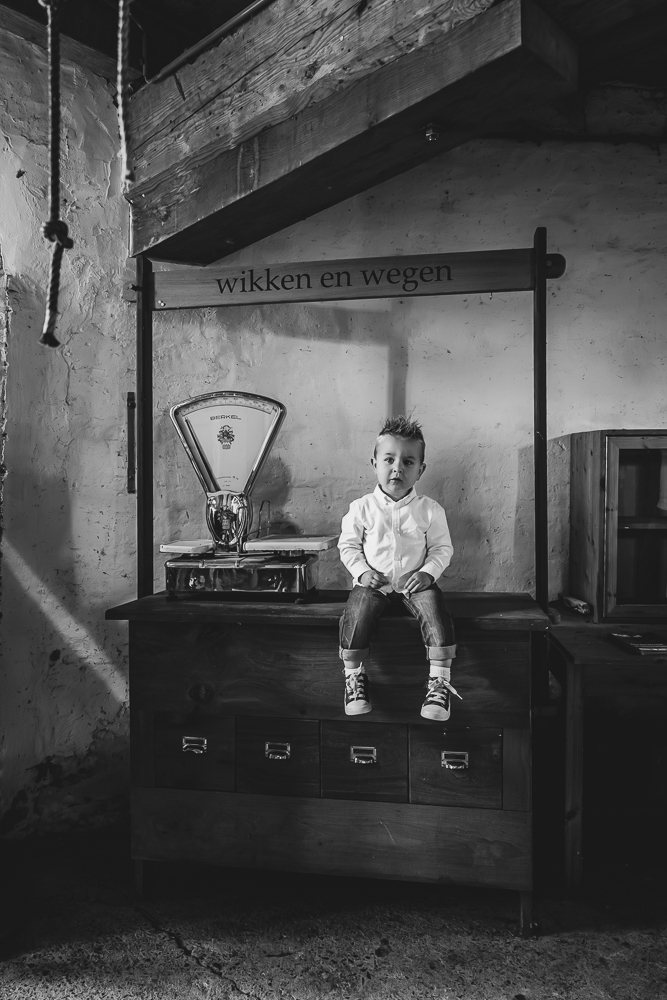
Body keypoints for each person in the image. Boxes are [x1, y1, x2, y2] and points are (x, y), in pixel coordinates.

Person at [337, 415, 459, 721]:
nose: (397, 468)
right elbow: (348, 546)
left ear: (421, 469)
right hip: (373, 586)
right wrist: (363, 572)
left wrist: (427, 573)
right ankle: (353, 677)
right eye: (389, 459)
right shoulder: (361, 507)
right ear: (374, 463)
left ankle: (439, 683)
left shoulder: (430, 509)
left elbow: (443, 549)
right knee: (356, 612)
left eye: (408, 462)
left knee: (435, 609)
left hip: (414, 587)